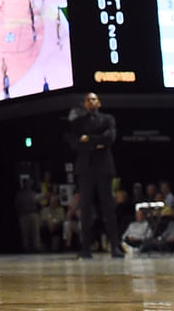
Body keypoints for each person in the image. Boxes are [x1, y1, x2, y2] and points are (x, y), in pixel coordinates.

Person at [69, 93, 118, 259]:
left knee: (108, 208)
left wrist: (88, 140)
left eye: (94, 99)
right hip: (85, 169)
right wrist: (98, 142)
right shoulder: (78, 122)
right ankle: (86, 249)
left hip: (104, 167)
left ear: (99, 102)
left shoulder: (108, 119)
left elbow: (110, 138)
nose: (91, 102)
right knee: (86, 210)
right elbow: (74, 142)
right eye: (88, 100)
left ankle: (115, 247)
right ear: (84, 104)